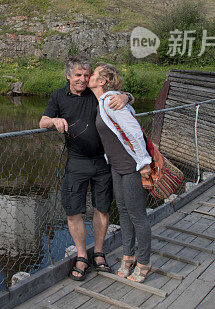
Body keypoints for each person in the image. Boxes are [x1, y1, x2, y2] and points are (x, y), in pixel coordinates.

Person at [39, 55, 133, 280]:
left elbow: (122, 95)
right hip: (77, 161)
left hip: (102, 161)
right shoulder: (59, 96)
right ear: (68, 75)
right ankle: (82, 256)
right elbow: (42, 121)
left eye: (86, 75)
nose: (83, 79)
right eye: (78, 75)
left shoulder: (96, 92)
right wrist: (53, 121)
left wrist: (126, 96)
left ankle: (99, 253)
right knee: (73, 211)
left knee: (102, 208)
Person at [90, 62, 153, 283]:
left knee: (137, 215)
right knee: (124, 213)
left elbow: (134, 130)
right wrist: (128, 96)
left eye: (94, 74)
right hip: (117, 166)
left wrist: (144, 163)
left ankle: (144, 262)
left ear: (102, 81)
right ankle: (128, 256)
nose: (90, 75)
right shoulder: (103, 101)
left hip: (130, 166)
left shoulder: (110, 100)